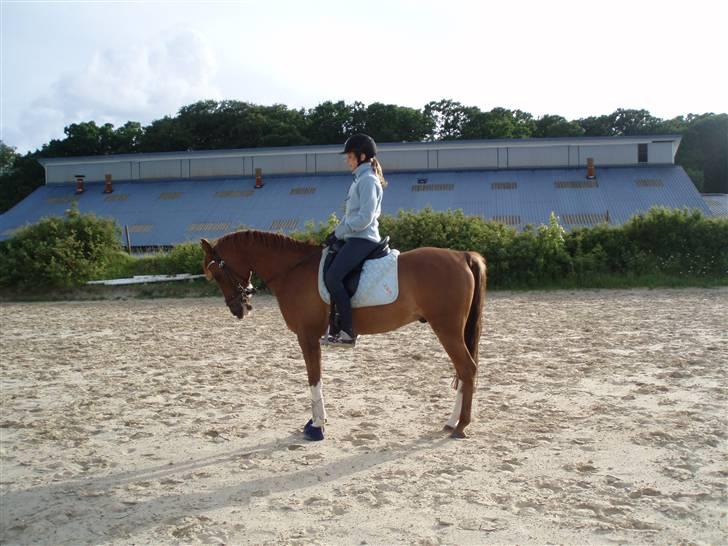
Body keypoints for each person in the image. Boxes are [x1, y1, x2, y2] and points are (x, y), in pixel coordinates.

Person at [321, 133, 387, 348]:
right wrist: (336, 232)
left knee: (332, 278)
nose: (347, 161)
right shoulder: (360, 180)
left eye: (349, 157)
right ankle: (334, 324)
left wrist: (340, 233)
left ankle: (348, 332)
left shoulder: (368, 181)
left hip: (363, 238)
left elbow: (365, 218)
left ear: (362, 156)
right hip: (354, 236)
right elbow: (350, 216)